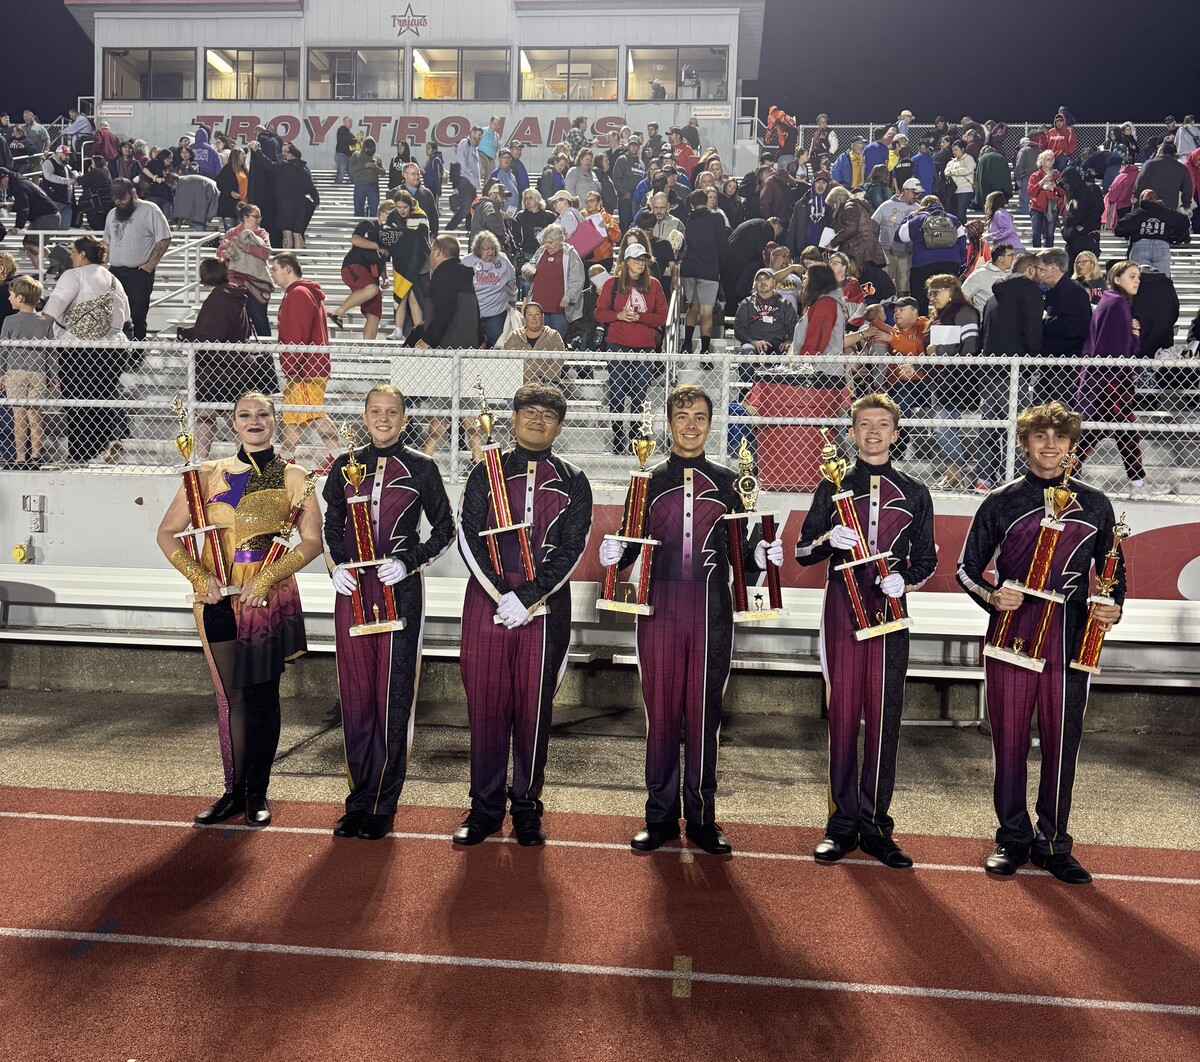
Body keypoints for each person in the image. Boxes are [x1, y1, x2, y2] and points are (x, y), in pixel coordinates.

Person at [599, 385, 781, 856]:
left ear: (711, 422)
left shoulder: (728, 480)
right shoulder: (648, 479)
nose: (691, 425)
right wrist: (614, 555)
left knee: (704, 713)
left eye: (700, 416)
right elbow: (630, 546)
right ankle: (658, 816)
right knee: (659, 713)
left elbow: (744, 557)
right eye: (682, 416)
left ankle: (702, 818)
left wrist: (761, 554)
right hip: (657, 608)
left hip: (711, 611)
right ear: (668, 422)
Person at [957, 401, 1125, 885]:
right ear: (1024, 442)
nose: (1050, 446)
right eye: (1040, 437)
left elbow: (1113, 574)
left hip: (1071, 643)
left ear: (1072, 445)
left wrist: (1113, 606)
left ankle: (1053, 843)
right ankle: (1011, 838)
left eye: (1059, 438)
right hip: (1012, 637)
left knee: (1061, 745)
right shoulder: (1002, 501)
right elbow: (966, 570)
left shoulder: (1096, 504)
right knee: (1008, 742)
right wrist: (993, 595)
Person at [157, 392, 321, 828]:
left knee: (263, 698)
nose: (254, 421)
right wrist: (198, 577)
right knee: (231, 698)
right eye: (245, 415)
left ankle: (257, 793)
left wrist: (267, 577)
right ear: (233, 424)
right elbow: (168, 534)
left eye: (262, 414)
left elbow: (311, 543)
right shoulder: (207, 474)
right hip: (217, 601)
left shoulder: (295, 477)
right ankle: (232, 790)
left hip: (265, 601)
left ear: (275, 421)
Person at [794, 393, 935, 867]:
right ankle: (839, 825)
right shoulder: (832, 485)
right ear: (851, 434)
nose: (873, 432)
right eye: (864, 425)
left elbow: (928, 559)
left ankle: (876, 826)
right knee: (842, 717)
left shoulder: (915, 490)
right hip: (841, 609)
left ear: (897, 433)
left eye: (883, 424)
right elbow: (802, 551)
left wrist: (908, 578)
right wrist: (826, 539)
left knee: (883, 717)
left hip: (890, 608)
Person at [455, 383, 593, 846]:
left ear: (560, 425)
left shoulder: (575, 479)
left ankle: (527, 808)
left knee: (535, 709)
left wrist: (530, 597)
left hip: (547, 605)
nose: (537, 419)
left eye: (548, 414)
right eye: (528, 411)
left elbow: (572, 549)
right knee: (486, 707)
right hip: (488, 603)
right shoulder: (483, 474)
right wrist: (501, 595)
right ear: (512, 419)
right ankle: (484, 808)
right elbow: (469, 537)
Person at [324, 385, 455, 840]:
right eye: (375, 411)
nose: (383, 419)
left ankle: (383, 801)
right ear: (364, 415)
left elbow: (445, 529)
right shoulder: (344, 467)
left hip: (400, 595)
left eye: (392, 412)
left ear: (403, 417)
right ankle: (357, 798)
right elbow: (331, 525)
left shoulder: (422, 467)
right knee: (357, 698)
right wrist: (336, 566)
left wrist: (409, 561)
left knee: (392, 698)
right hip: (350, 593)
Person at [1076, 261, 1168, 498]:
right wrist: (1135, 335)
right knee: (1118, 431)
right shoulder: (1117, 303)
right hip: (1113, 380)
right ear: (1116, 279)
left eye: (1138, 277)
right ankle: (1063, 478)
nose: (1137, 280)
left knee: (1109, 432)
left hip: (1105, 379)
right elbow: (1120, 349)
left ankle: (1137, 483)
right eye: (1132, 276)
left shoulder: (1111, 300)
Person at [40, 234, 132, 464]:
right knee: (101, 399)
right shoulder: (113, 279)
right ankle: (107, 439)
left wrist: (37, 328)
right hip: (113, 348)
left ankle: (79, 454)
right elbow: (126, 317)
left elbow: (55, 305)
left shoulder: (74, 274)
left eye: (73, 252)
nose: (70, 256)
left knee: (76, 401)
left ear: (82, 254)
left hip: (78, 348)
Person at [179, 257, 268, 459]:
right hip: (237, 367)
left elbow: (209, 336)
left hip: (217, 370)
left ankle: (201, 460)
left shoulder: (218, 298)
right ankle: (250, 460)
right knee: (234, 415)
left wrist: (189, 336)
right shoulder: (235, 295)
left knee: (205, 414)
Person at [973, 253, 1044, 491]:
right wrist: (1033, 361)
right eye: (1039, 270)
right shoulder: (1030, 292)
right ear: (1031, 270)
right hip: (1016, 372)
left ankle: (984, 477)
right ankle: (1011, 478)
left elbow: (984, 333)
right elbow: (1033, 332)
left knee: (990, 428)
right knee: (1018, 429)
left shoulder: (993, 298)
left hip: (990, 372)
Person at [595, 243, 669, 453]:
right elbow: (599, 313)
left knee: (639, 394)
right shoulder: (612, 284)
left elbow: (662, 316)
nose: (640, 263)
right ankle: (618, 438)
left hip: (644, 346)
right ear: (626, 262)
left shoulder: (654, 285)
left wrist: (641, 318)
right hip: (617, 343)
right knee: (617, 392)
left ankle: (636, 437)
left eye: (643, 260)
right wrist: (618, 315)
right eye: (636, 259)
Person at [270, 253, 340, 472]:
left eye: (275, 269)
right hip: (307, 366)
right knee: (293, 416)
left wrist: (290, 365)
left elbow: (296, 333)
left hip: (306, 368)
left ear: (287, 269)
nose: (272, 274)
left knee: (315, 414)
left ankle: (340, 459)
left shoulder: (298, 294)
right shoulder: (302, 292)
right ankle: (287, 458)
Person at [924, 274, 981, 488]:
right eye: (929, 293)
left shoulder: (964, 311)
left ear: (951, 290)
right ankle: (953, 472)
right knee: (941, 428)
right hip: (938, 381)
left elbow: (971, 346)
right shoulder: (938, 315)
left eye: (936, 291)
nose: (931, 297)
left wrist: (940, 350)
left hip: (958, 381)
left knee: (943, 428)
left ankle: (958, 470)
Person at [103, 176, 170, 341]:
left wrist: (150, 265)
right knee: (114, 315)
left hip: (139, 272)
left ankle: (137, 354)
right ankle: (116, 353)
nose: (119, 202)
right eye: (116, 198)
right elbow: (106, 242)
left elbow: (164, 238)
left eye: (122, 197)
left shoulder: (150, 209)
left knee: (138, 316)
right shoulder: (112, 214)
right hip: (115, 271)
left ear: (132, 193)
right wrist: (102, 266)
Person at [1, 275, 55, 469]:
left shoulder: (9, 320)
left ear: (20, 298)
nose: (9, 299)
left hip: (15, 372)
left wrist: (1, 373)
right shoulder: (45, 322)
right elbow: (51, 352)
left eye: (11, 295)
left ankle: (20, 457)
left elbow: (3, 350)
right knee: (35, 415)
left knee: (18, 416)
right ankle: (36, 457)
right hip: (38, 372)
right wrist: (52, 374)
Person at [897, 195, 966, 317]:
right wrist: (959, 264)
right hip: (950, 263)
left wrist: (909, 218)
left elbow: (899, 236)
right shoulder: (953, 219)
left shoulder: (918, 219)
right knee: (949, 297)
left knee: (919, 299)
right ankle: (948, 322)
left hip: (922, 264)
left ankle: (921, 324)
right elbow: (961, 244)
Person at [1038, 248, 1092, 404]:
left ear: (1053, 267)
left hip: (1065, 367)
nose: (1038, 272)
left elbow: (1077, 326)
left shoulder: (1073, 292)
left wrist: (1043, 323)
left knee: (1061, 412)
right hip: (1051, 365)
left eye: (1041, 268)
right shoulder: (1054, 291)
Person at [329, 201, 387, 340]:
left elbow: (383, 259)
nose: (390, 218)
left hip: (373, 274)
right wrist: (376, 246)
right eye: (388, 214)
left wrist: (385, 277)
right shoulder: (369, 224)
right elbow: (355, 239)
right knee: (372, 289)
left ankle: (368, 350)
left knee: (374, 315)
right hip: (354, 265)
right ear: (380, 214)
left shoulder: (389, 235)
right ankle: (338, 312)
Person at [678, 188, 726, 357]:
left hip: (689, 268)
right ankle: (705, 351)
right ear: (707, 201)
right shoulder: (717, 218)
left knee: (692, 307)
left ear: (692, 204)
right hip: (709, 269)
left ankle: (687, 344)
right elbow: (722, 244)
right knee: (706, 311)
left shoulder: (689, 220)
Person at [378, 191, 431, 340]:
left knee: (415, 297)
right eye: (398, 207)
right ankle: (398, 330)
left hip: (418, 263)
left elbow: (421, 239)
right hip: (401, 262)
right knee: (401, 296)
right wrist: (407, 235)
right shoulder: (392, 216)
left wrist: (401, 235)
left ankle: (418, 332)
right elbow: (386, 234)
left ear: (410, 205)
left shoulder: (421, 215)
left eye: (404, 207)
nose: (401, 210)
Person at [216, 202, 274, 337]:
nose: (259, 220)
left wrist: (245, 248)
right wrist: (227, 253)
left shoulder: (262, 234)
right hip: (236, 282)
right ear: (246, 218)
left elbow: (265, 253)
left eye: (259, 217)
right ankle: (243, 354)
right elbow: (219, 253)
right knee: (240, 319)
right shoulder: (231, 233)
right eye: (256, 217)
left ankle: (266, 354)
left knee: (259, 316)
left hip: (257, 282)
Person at [522, 223, 586, 342]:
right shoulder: (541, 251)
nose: (547, 245)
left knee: (556, 341)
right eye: (545, 242)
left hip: (559, 309)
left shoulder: (570, 254)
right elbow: (530, 266)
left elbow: (577, 280)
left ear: (560, 240)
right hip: (539, 308)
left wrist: (568, 297)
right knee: (539, 341)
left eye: (550, 242)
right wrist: (526, 271)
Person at [733, 266, 799, 382]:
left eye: (766, 279)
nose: (762, 282)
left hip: (778, 344)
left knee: (790, 350)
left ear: (774, 282)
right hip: (753, 344)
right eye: (759, 279)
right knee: (747, 350)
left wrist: (789, 341)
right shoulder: (747, 303)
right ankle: (745, 391)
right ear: (755, 284)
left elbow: (793, 326)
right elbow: (739, 329)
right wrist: (753, 341)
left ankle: (781, 391)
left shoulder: (784, 303)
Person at [1114, 189, 1191, 276]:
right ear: (1156, 199)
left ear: (1141, 200)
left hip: (1140, 246)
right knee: (1161, 279)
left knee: (1139, 280)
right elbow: (1184, 222)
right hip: (1162, 246)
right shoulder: (1166, 213)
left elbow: (1118, 229)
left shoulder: (1136, 214)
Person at [463, 230, 518, 348]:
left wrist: (512, 300)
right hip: (473, 312)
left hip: (496, 311)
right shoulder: (467, 262)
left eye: (492, 249)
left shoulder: (503, 261)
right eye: (486, 249)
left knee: (496, 339)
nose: (490, 252)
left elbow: (511, 282)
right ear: (478, 249)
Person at [501, 300, 567, 385]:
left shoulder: (553, 335)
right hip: (519, 382)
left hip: (547, 383)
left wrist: (541, 380)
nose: (534, 318)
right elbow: (505, 360)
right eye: (530, 315)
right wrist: (520, 380)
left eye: (537, 314)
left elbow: (558, 361)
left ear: (542, 317)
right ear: (524, 318)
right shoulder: (515, 335)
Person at [1058, 167, 1103, 272]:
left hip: (1086, 239)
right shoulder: (1069, 195)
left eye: (1066, 183)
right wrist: (1064, 228)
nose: (1065, 186)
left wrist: (1083, 226)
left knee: (1085, 273)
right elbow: (1068, 213)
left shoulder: (1091, 189)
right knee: (1070, 272)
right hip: (1071, 241)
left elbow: (1097, 209)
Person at [1134, 140, 1194, 212]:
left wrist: (1135, 195)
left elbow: (1140, 182)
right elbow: (1187, 188)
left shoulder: (1150, 164)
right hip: (1170, 206)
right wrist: (1186, 204)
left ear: (1161, 150)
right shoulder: (1182, 168)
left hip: (1150, 203)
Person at [1027, 150, 1064, 249]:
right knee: (1036, 235)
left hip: (1052, 208)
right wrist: (1043, 181)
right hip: (1037, 208)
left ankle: (1048, 256)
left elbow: (1063, 192)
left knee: (1050, 235)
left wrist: (1055, 186)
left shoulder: (1057, 175)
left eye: (1052, 159)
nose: (1050, 161)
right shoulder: (1035, 176)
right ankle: (1036, 256)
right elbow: (1031, 192)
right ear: (1042, 161)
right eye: (1048, 159)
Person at [962, 242, 1015, 313]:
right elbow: (963, 295)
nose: (1013, 258)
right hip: (985, 318)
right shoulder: (979, 274)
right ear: (1000, 258)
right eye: (1010, 255)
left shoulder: (1013, 274)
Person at [448, 126, 483, 231]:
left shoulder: (474, 148)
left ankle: (470, 229)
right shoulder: (465, 142)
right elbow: (462, 162)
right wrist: (470, 175)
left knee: (472, 209)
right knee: (466, 208)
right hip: (465, 180)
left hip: (472, 183)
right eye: (478, 136)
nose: (479, 139)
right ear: (472, 133)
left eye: (480, 137)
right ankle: (450, 227)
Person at [349, 136, 385, 219]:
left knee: (374, 210)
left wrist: (375, 167)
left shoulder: (377, 157)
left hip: (373, 186)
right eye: (368, 149)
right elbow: (351, 168)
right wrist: (363, 165)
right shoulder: (357, 155)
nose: (370, 151)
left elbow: (383, 172)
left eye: (372, 149)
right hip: (360, 185)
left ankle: (372, 227)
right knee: (358, 210)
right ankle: (358, 227)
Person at [215, 147, 249, 231]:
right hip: (229, 206)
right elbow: (219, 183)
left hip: (243, 206)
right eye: (242, 154)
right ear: (236, 156)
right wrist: (230, 192)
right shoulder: (228, 169)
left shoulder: (245, 170)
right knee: (230, 232)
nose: (244, 156)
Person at [943, 140, 976, 222]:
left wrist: (953, 172)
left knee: (961, 213)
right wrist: (955, 172)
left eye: (956, 150)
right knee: (953, 214)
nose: (954, 152)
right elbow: (946, 172)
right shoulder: (951, 162)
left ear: (963, 149)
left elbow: (967, 170)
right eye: (953, 150)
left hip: (965, 189)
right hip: (952, 190)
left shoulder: (969, 159)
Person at [80, 154, 115, 230]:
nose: (91, 165)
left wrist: (77, 176)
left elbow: (82, 180)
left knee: (97, 227)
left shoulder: (96, 171)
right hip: (106, 205)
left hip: (95, 205)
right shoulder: (107, 173)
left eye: (92, 163)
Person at [334, 117, 355, 185]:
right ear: (344, 122)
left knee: (352, 174)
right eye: (349, 121)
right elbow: (345, 141)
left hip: (348, 156)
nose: (351, 123)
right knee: (341, 173)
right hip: (342, 155)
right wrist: (354, 140)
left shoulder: (349, 134)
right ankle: (336, 188)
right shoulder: (341, 131)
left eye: (351, 121)